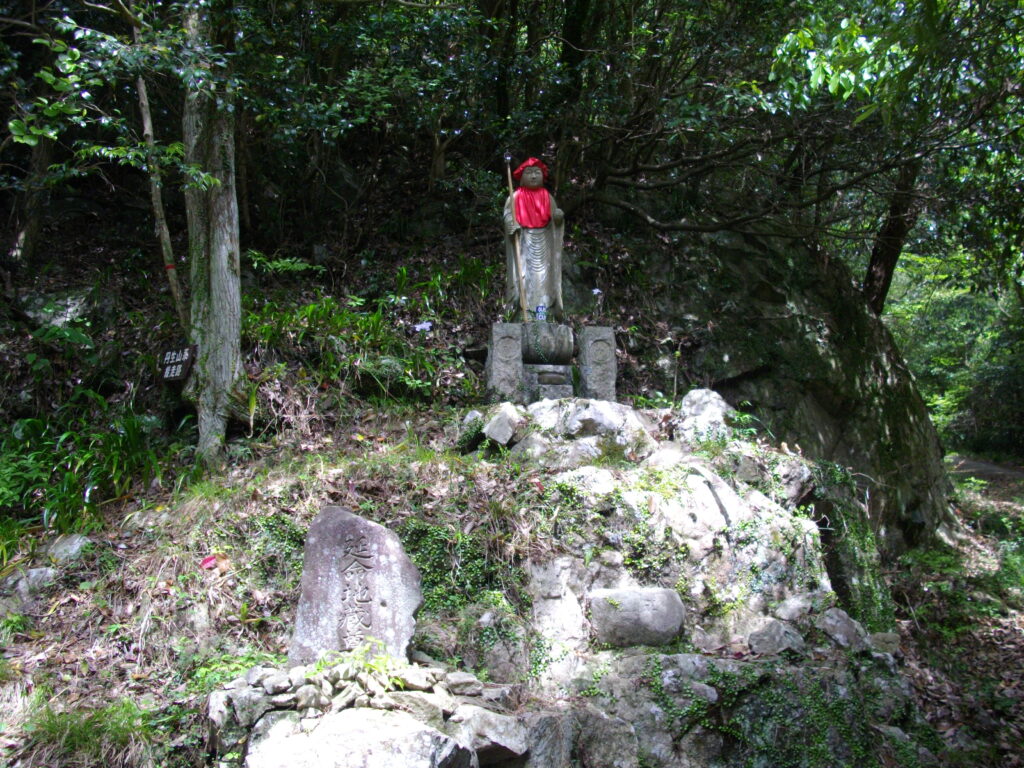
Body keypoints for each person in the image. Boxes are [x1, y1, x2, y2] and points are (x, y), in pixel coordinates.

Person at [504, 157, 564, 321]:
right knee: (523, 277)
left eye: (537, 172)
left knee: (544, 279)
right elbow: (508, 216)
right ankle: (524, 314)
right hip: (523, 241)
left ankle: (542, 313)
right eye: (529, 173)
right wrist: (511, 224)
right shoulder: (514, 197)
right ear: (521, 177)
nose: (533, 176)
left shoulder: (548, 197)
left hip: (545, 239)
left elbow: (555, 221)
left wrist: (558, 219)